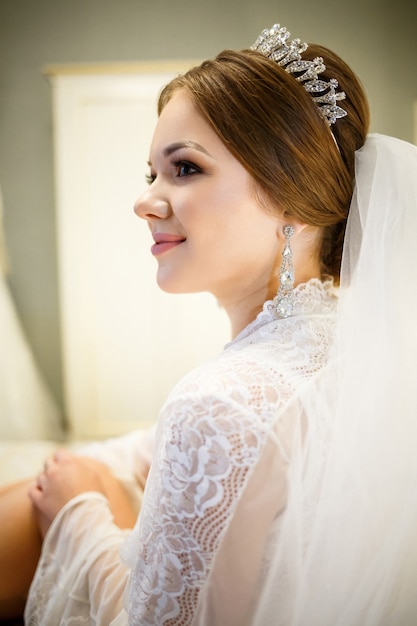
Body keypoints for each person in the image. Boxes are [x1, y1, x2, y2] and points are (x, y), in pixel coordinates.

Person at [4, 21, 417, 625]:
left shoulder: (219, 401)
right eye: (152, 174)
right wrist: (91, 464)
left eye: (186, 169)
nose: (146, 201)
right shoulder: (345, 339)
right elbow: (173, 447)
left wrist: (83, 507)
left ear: (293, 205)